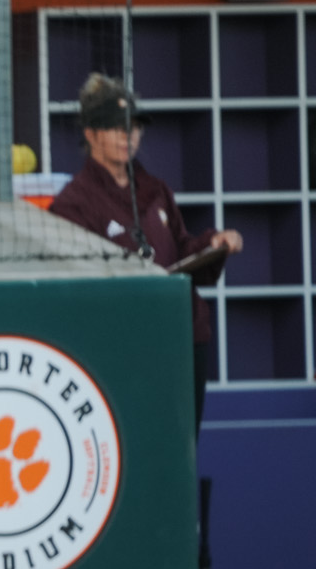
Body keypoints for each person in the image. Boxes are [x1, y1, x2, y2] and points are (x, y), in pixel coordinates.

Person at [48, 73, 240, 437]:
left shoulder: (156, 189)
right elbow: (78, 286)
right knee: (134, 440)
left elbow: (181, 250)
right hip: (123, 343)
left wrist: (213, 244)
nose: (128, 136)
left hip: (183, 334)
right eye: (116, 127)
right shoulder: (72, 203)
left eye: (134, 127)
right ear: (91, 134)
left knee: (183, 441)